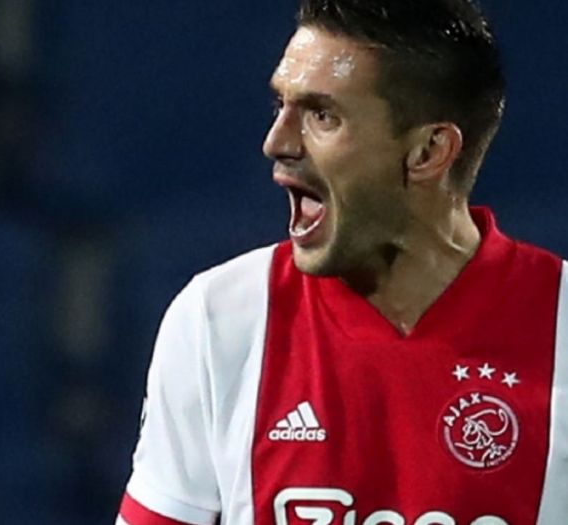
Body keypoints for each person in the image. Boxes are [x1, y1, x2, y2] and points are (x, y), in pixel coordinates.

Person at [115, 1, 568, 524]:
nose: (277, 143)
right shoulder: (219, 321)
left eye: (321, 115)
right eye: (280, 105)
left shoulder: (559, 324)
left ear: (428, 151)